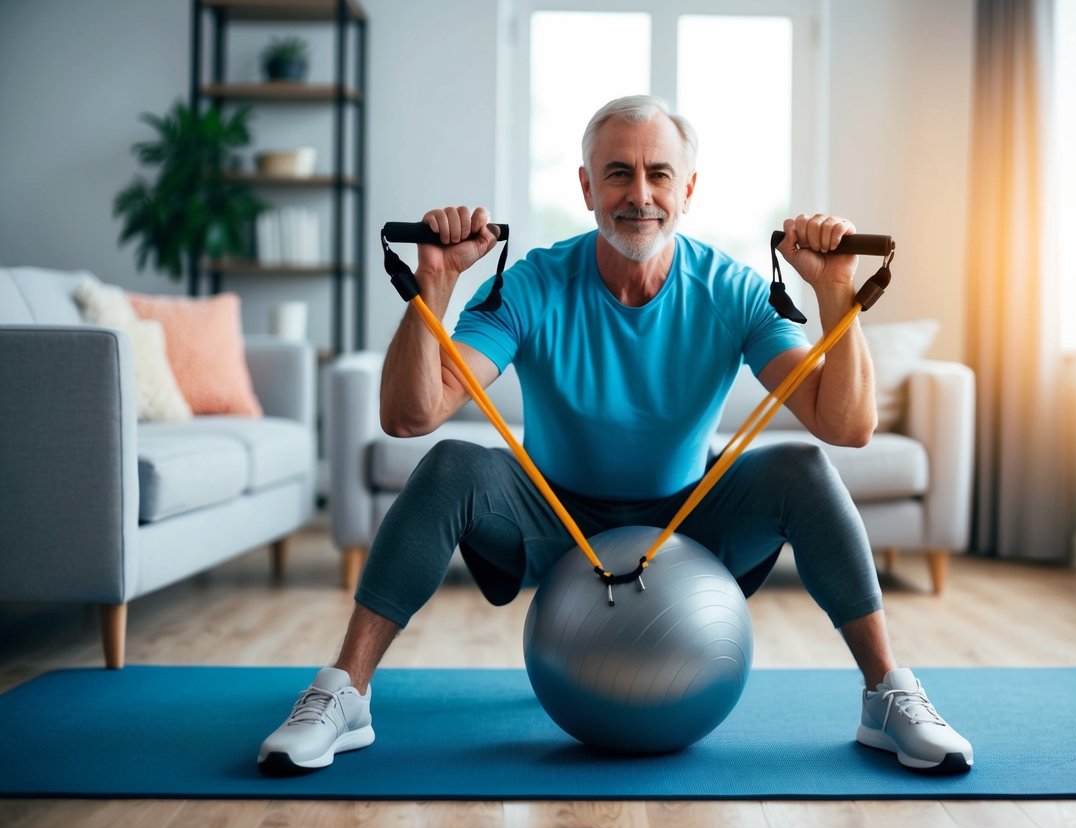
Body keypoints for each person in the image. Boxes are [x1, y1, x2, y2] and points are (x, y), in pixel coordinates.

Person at [258, 95, 974, 775]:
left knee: (802, 468)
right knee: (449, 462)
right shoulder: (535, 282)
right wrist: (435, 287)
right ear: (586, 187)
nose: (639, 193)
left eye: (658, 173)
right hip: (551, 516)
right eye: (617, 173)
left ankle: (887, 695)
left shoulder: (730, 288)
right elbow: (411, 416)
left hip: (689, 520)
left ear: (687, 188)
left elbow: (845, 425)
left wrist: (835, 294)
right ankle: (343, 694)